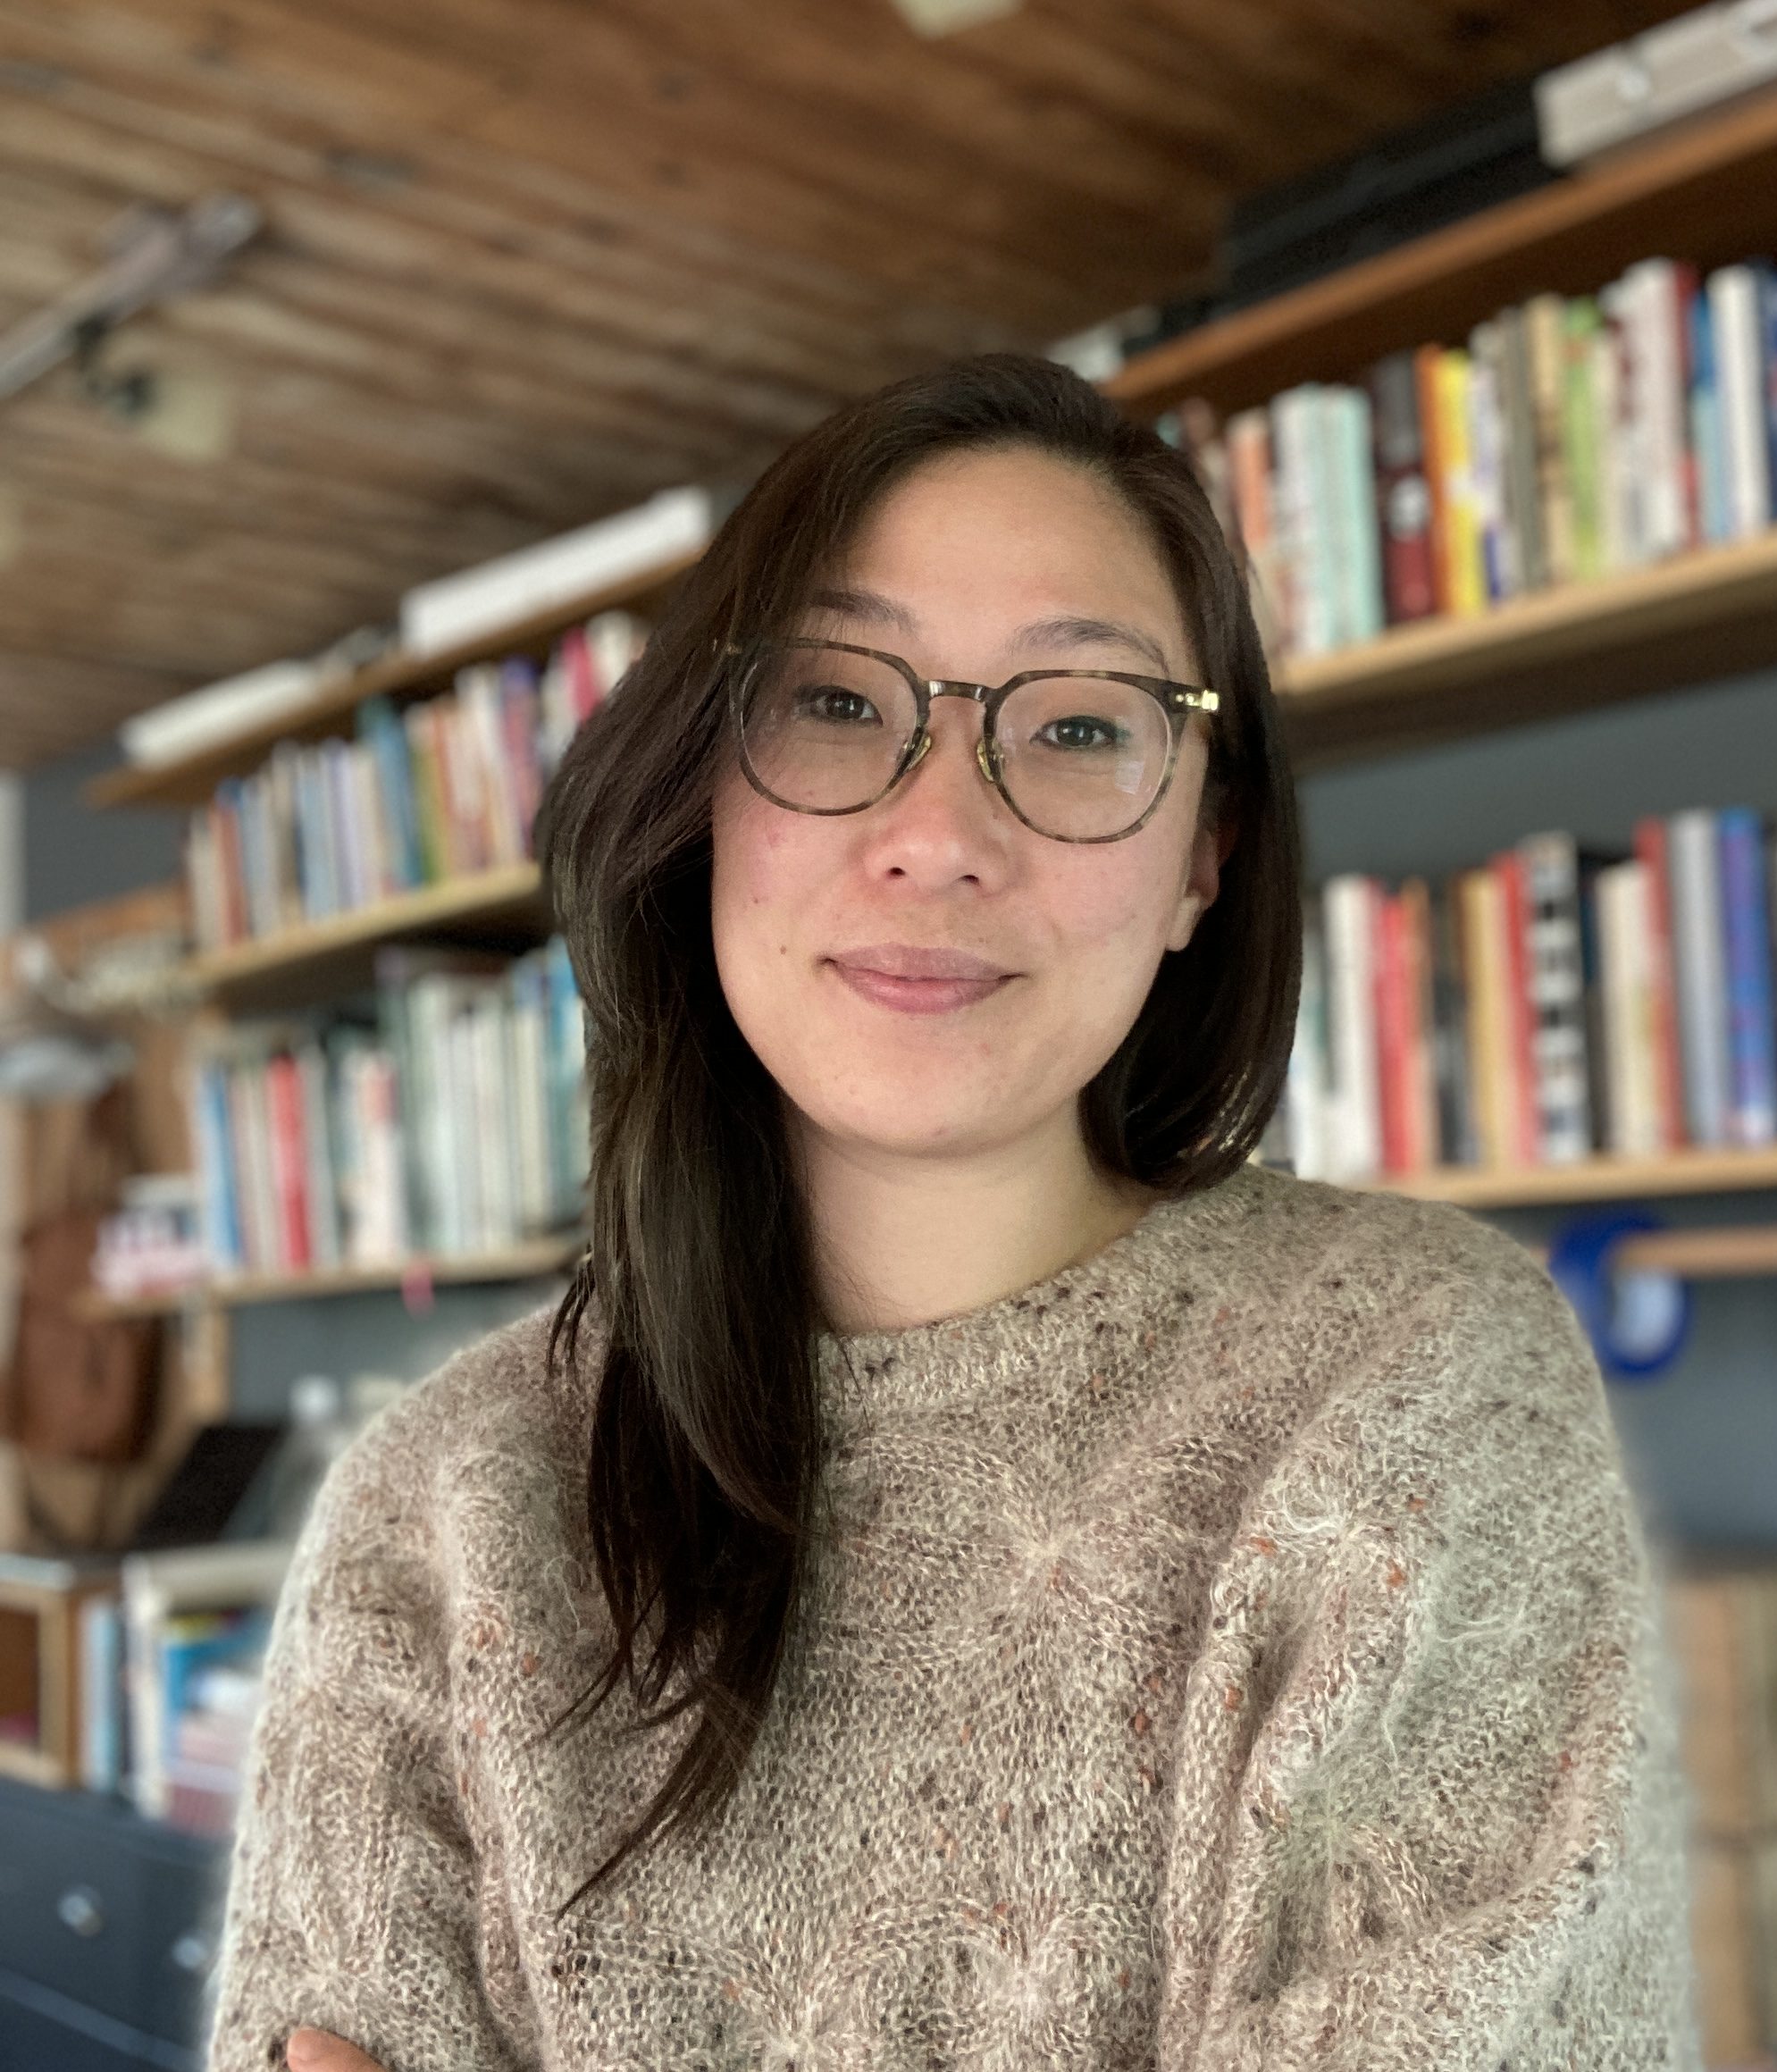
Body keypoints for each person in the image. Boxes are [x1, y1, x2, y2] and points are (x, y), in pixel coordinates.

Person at [206, 352, 1700, 2072]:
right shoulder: (445, 1508)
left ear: (1203, 858)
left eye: (1075, 728)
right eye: (837, 702)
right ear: (703, 792)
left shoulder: (1414, 1388)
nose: (939, 835)